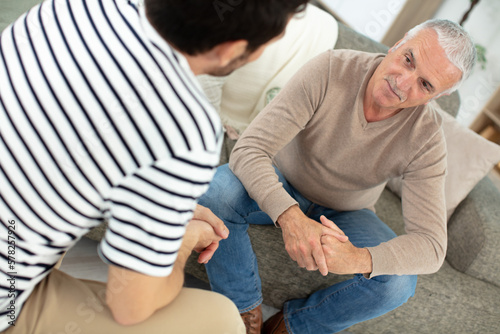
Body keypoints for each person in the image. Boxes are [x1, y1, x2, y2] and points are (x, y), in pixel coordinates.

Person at [0, 0, 309, 333]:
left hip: (15, 230)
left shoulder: (73, 7)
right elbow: (131, 307)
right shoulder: (183, 128)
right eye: (264, 47)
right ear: (229, 50)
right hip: (9, 293)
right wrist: (183, 241)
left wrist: (163, 208)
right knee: (221, 320)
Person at [198, 19, 476, 334]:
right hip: (282, 177)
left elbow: (432, 247)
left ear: (434, 98)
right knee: (215, 194)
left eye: (425, 84)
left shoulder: (426, 138)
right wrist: (291, 218)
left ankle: (291, 326)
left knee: (398, 284)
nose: (403, 81)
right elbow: (249, 150)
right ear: (397, 44)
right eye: (408, 60)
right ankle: (244, 313)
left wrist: (357, 258)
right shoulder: (332, 69)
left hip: (347, 211)